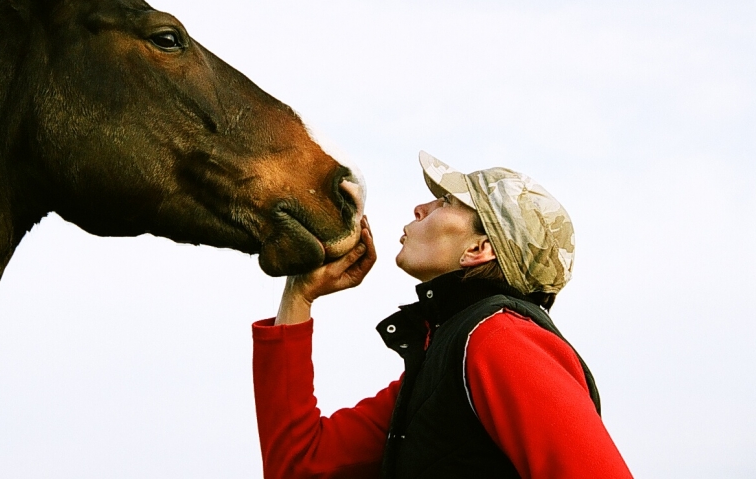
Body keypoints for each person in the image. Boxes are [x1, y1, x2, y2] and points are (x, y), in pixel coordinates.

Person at [252, 151, 633, 479]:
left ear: (479, 248)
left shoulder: (497, 338)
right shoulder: (442, 363)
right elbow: (299, 466)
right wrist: (298, 296)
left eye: (448, 201)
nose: (422, 208)